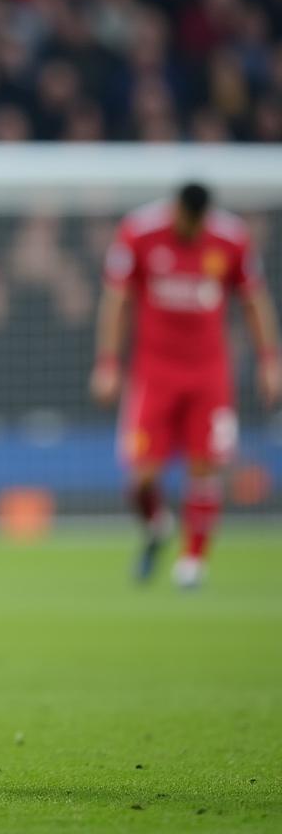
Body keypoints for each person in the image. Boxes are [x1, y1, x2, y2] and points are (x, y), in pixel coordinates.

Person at [90, 183, 281, 587]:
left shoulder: (231, 240)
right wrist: (108, 363)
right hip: (153, 374)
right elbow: (117, 299)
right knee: (140, 475)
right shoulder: (140, 233)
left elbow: (254, 301)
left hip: (209, 374)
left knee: (205, 467)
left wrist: (269, 361)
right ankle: (157, 525)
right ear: (175, 210)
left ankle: (193, 562)